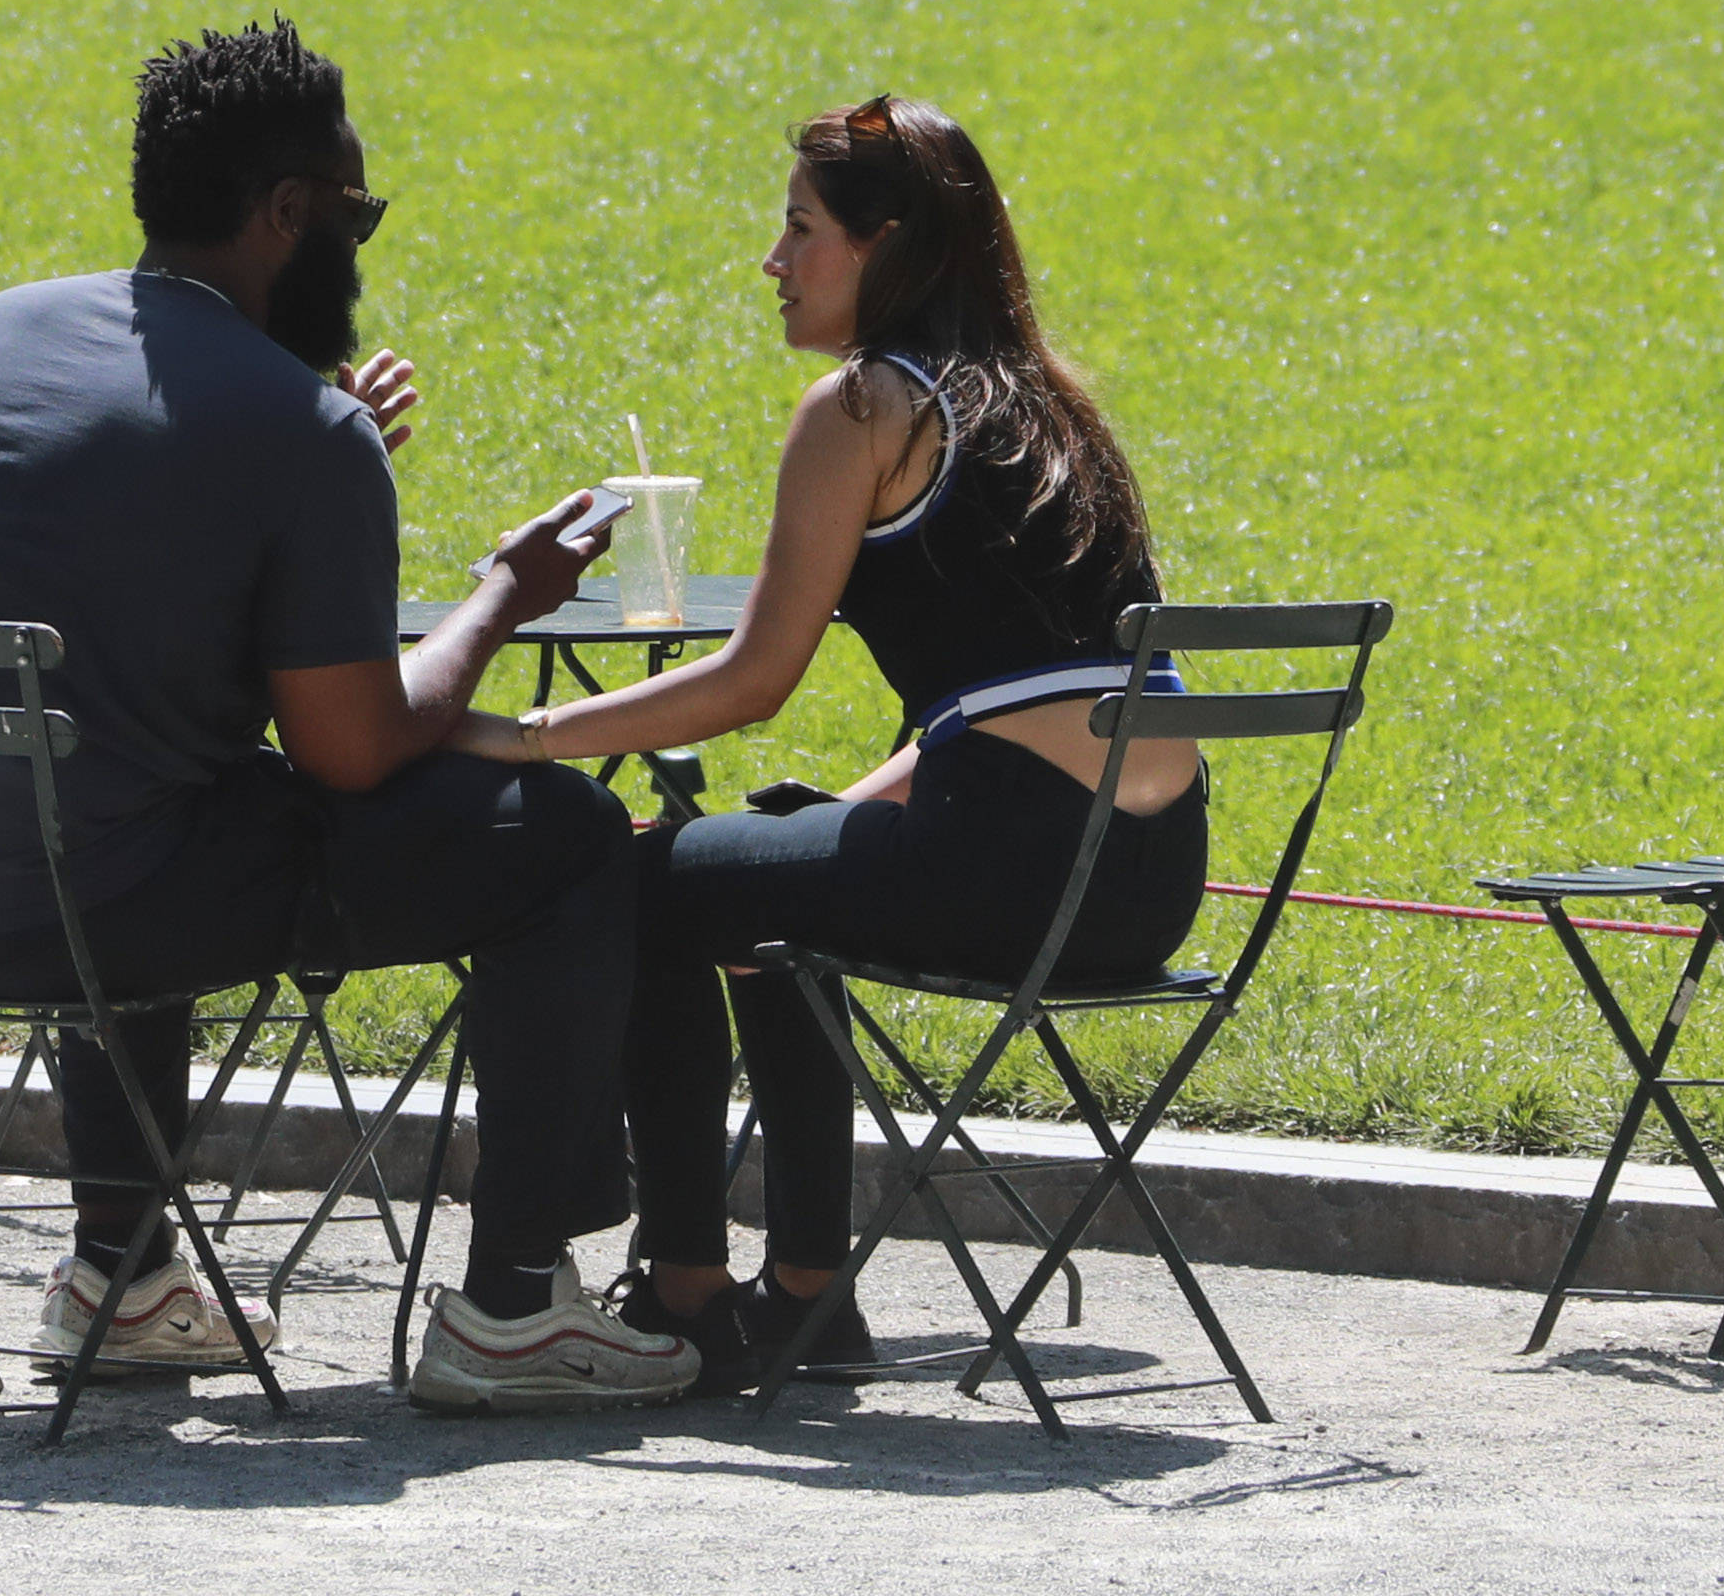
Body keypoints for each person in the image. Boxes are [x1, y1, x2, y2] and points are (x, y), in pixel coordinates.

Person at [0, 20, 701, 1412]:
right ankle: (517, 1306)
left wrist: (313, 436)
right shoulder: (296, 426)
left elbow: (127, 592)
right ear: (287, 212)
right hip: (100, 902)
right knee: (569, 835)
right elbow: (351, 750)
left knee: (126, 785)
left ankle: (120, 1273)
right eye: (356, 213)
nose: (362, 245)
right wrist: (502, 595)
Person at [457, 94, 1202, 1397]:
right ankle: (806, 1293)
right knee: (775, 858)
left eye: (800, 228)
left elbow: (754, 679)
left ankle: (687, 1284)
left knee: (642, 876)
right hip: (1146, 883)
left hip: (1005, 864)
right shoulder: (1057, 408)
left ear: (888, 245)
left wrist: (522, 739)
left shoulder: (861, 407)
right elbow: (1027, 701)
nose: (773, 260)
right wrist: (830, 815)